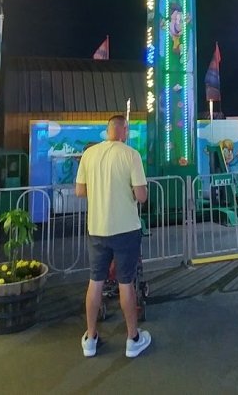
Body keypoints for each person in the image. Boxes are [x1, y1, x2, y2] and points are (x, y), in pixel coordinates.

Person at [75, 115, 151, 358]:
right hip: (126, 229)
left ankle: (90, 338)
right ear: (124, 130)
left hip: (97, 228)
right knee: (125, 283)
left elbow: (79, 191)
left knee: (95, 282)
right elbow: (141, 196)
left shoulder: (89, 154)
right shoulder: (131, 155)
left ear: (107, 131)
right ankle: (132, 338)